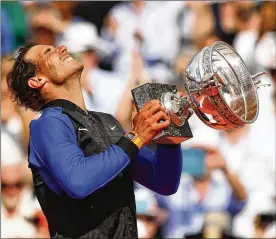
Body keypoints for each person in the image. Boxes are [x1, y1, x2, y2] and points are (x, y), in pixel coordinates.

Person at [6, 42, 183, 238]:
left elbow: (163, 182)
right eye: (49, 52)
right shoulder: (47, 124)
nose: (62, 47)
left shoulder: (107, 121)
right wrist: (137, 136)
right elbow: (78, 180)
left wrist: (170, 130)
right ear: (37, 80)